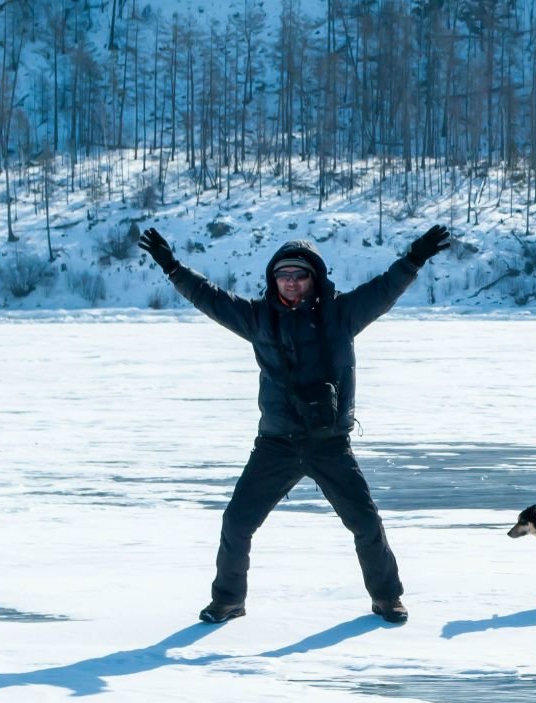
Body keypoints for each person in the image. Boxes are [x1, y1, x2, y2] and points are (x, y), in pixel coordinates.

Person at [138, 224, 450, 624]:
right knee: (237, 522)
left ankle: (387, 597)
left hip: (329, 443)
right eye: (282, 276)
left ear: (313, 278)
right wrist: (172, 267)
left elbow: (384, 289)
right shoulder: (257, 318)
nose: (290, 283)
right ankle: (229, 600)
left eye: (298, 275)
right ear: (274, 280)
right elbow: (208, 297)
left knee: (366, 523)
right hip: (276, 443)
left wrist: (414, 257)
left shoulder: (341, 314)